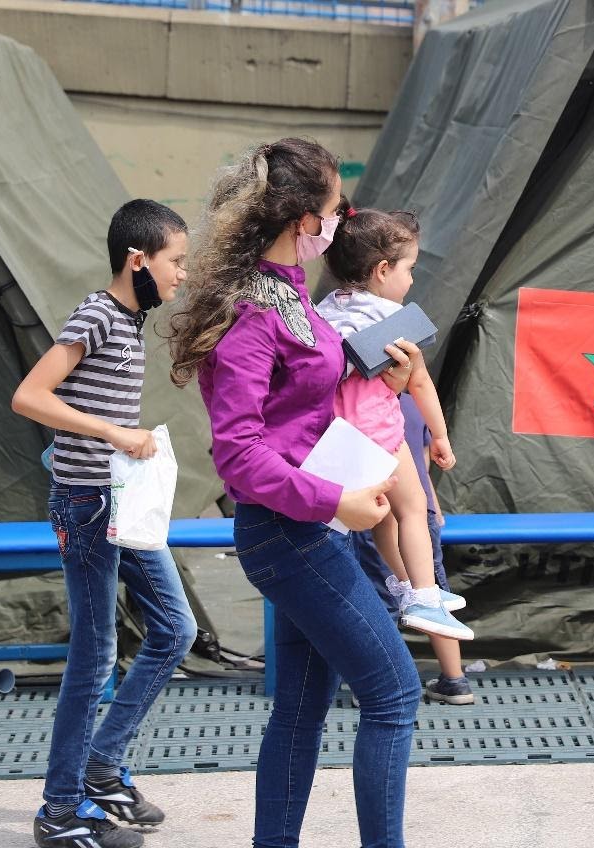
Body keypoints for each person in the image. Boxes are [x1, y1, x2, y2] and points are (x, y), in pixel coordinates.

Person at [169, 138, 421, 848]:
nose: (343, 222)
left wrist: (387, 387)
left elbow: (300, 409)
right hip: (294, 531)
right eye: (338, 210)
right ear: (303, 219)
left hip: (303, 526)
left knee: (302, 709)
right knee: (395, 694)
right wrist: (331, 502)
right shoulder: (258, 310)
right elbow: (239, 452)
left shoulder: (283, 294)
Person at [12, 199, 197, 848]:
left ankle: (102, 765)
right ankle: (59, 812)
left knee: (176, 628)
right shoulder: (97, 314)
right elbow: (31, 395)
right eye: (176, 261)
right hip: (87, 505)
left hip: (120, 503)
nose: (183, 274)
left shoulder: (132, 320)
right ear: (137, 260)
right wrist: (115, 433)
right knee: (92, 662)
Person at [318, 207, 472, 641]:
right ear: (383, 269)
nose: (412, 280)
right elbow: (419, 383)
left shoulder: (325, 311)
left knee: (385, 519)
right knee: (413, 513)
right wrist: (439, 437)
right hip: (383, 437)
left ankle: (403, 586)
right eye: (410, 269)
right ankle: (425, 594)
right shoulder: (394, 320)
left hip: (342, 440)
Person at [353, 398, 476, 705]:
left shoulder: (355, 402)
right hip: (420, 521)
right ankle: (455, 679)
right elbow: (419, 466)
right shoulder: (413, 404)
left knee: (383, 599)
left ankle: (381, 684)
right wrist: (432, 510)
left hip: (380, 515)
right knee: (432, 596)